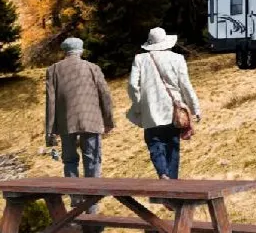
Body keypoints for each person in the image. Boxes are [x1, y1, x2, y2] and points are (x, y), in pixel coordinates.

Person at [46, 37, 114, 213]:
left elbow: (50, 101)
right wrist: (108, 121)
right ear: (81, 50)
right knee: (92, 160)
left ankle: (76, 200)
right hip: (91, 120)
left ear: (65, 51)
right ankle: (92, 205)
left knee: (69, 160)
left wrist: (51, 131)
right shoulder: (93, 68)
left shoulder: (53, 70)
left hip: (65, 123)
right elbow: (105, 95)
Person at [127, 27, 201, 181]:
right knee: (173, 145)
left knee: (155, 143)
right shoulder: (177, 58)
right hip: (173, 109)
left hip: (150, 111)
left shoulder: (140, 59)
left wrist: (138, 105)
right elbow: (185, 85)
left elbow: (133, 86)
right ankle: (171, 181)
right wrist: (195, 108)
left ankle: (163, 173)